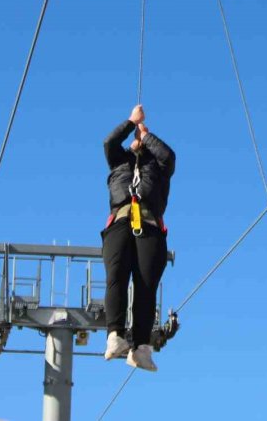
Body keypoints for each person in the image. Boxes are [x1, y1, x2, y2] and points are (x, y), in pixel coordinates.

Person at [101, 104, 176, 371]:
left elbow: (168, 155)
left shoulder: (159, 166)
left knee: (145, 285)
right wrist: (131, 123)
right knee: (117, 276)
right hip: (121, 221)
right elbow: (109, 142)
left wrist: (145, 135)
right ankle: (115, 336)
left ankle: (141, 347)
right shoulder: (119, 161)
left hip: (149, 224)